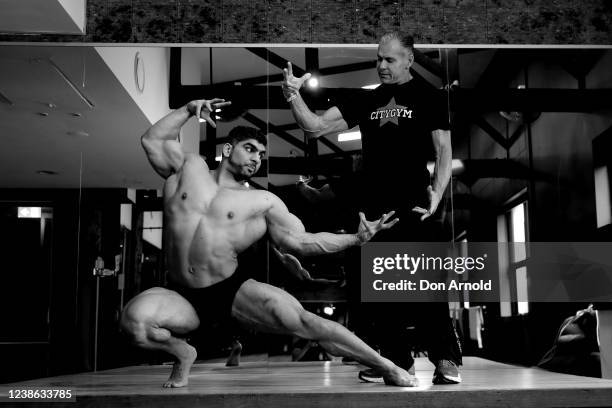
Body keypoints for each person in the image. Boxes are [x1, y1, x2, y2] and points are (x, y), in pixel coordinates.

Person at [120, 98, 418, 388]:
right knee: (134, 323)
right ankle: (183, 352)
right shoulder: (188, 168)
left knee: (307, 323)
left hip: (230, 289)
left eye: (261, 154)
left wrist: (356, 238)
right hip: (182, 293)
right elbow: (152, 140)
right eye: (249, 149)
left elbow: (303, 241)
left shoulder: (262, 202)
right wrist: (187, 109)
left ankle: (387, 366)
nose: (256, 158)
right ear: (227, 149)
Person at [281, 31, 462, 384]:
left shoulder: (430, 96)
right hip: (375, 211)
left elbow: (443, 152)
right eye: (378, 58)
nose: (381, 65)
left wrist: (436, 197)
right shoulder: (367, 100)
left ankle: (445, 358)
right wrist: (293, 96)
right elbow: (315, 127)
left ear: (409, 59)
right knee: (379, 289)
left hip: (413, 206)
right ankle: (397, 360)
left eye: (389, 60)